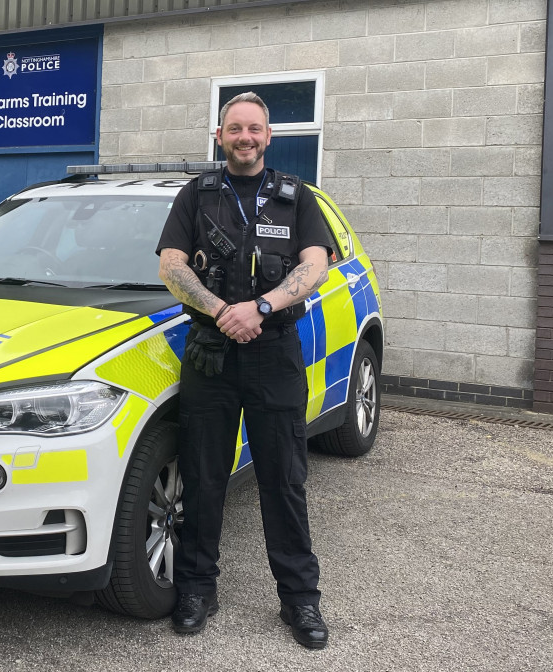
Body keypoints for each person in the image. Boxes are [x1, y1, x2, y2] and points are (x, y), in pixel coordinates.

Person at [155, 91, 333, 649]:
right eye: (235, 128)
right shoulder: (196, 195)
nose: (245, 137)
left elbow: (317, 263)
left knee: (285, 479)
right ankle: (196, 591)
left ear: (268, 136)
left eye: (254, 128)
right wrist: (220, 311)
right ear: (220, 135)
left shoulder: (295, 196)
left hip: (274, 352)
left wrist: (258, 308)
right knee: (204, 476)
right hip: (211, 352)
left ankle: (300, 601)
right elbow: (170, 264)